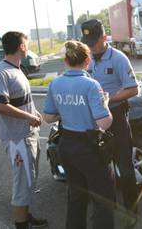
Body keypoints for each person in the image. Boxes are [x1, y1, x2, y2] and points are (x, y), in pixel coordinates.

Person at [42, 41, 115, 229]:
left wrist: (66, 110)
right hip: (89, 148)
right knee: (102, 199)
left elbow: (48, 117)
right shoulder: (91, 85)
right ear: (87, 61)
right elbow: (104, 123)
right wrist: (104, 102)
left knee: (76, 197)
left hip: (66, 145)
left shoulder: (55, 83)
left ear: (66, 61)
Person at [80, 19, 140, 215]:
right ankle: (106, 209)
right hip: (93, 120)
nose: (90, 46)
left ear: (104, 37)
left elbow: (133, 89)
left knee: (124, 164)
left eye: (94, 41)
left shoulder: (119, 58)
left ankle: (131, 209)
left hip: (116, 115)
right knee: (99, 167)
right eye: (87, 41)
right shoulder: (85, 58)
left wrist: (108, 98)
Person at [0, 31, 48, 229]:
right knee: (22, 182)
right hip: (17, 138)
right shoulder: (1, 72)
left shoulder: (17, 69)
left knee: (29, 178)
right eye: (26, 43)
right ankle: (21, 223)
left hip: (28, 134)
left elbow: (23, 101)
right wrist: (29, 117)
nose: (27, 46)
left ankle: (26, 215)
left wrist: (35, 114)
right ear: (21, 47)